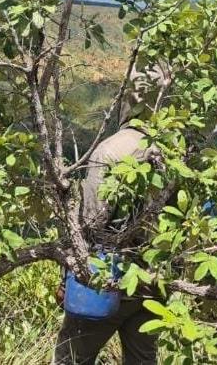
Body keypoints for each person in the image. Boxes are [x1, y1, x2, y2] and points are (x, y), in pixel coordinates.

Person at [54, 66, 169, 365]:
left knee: (71, 356)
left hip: (108, 277)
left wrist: (69, 272)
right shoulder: (173, 151)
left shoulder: (111, 150)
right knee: (143, 358)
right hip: (153, 278)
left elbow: (92, 222)